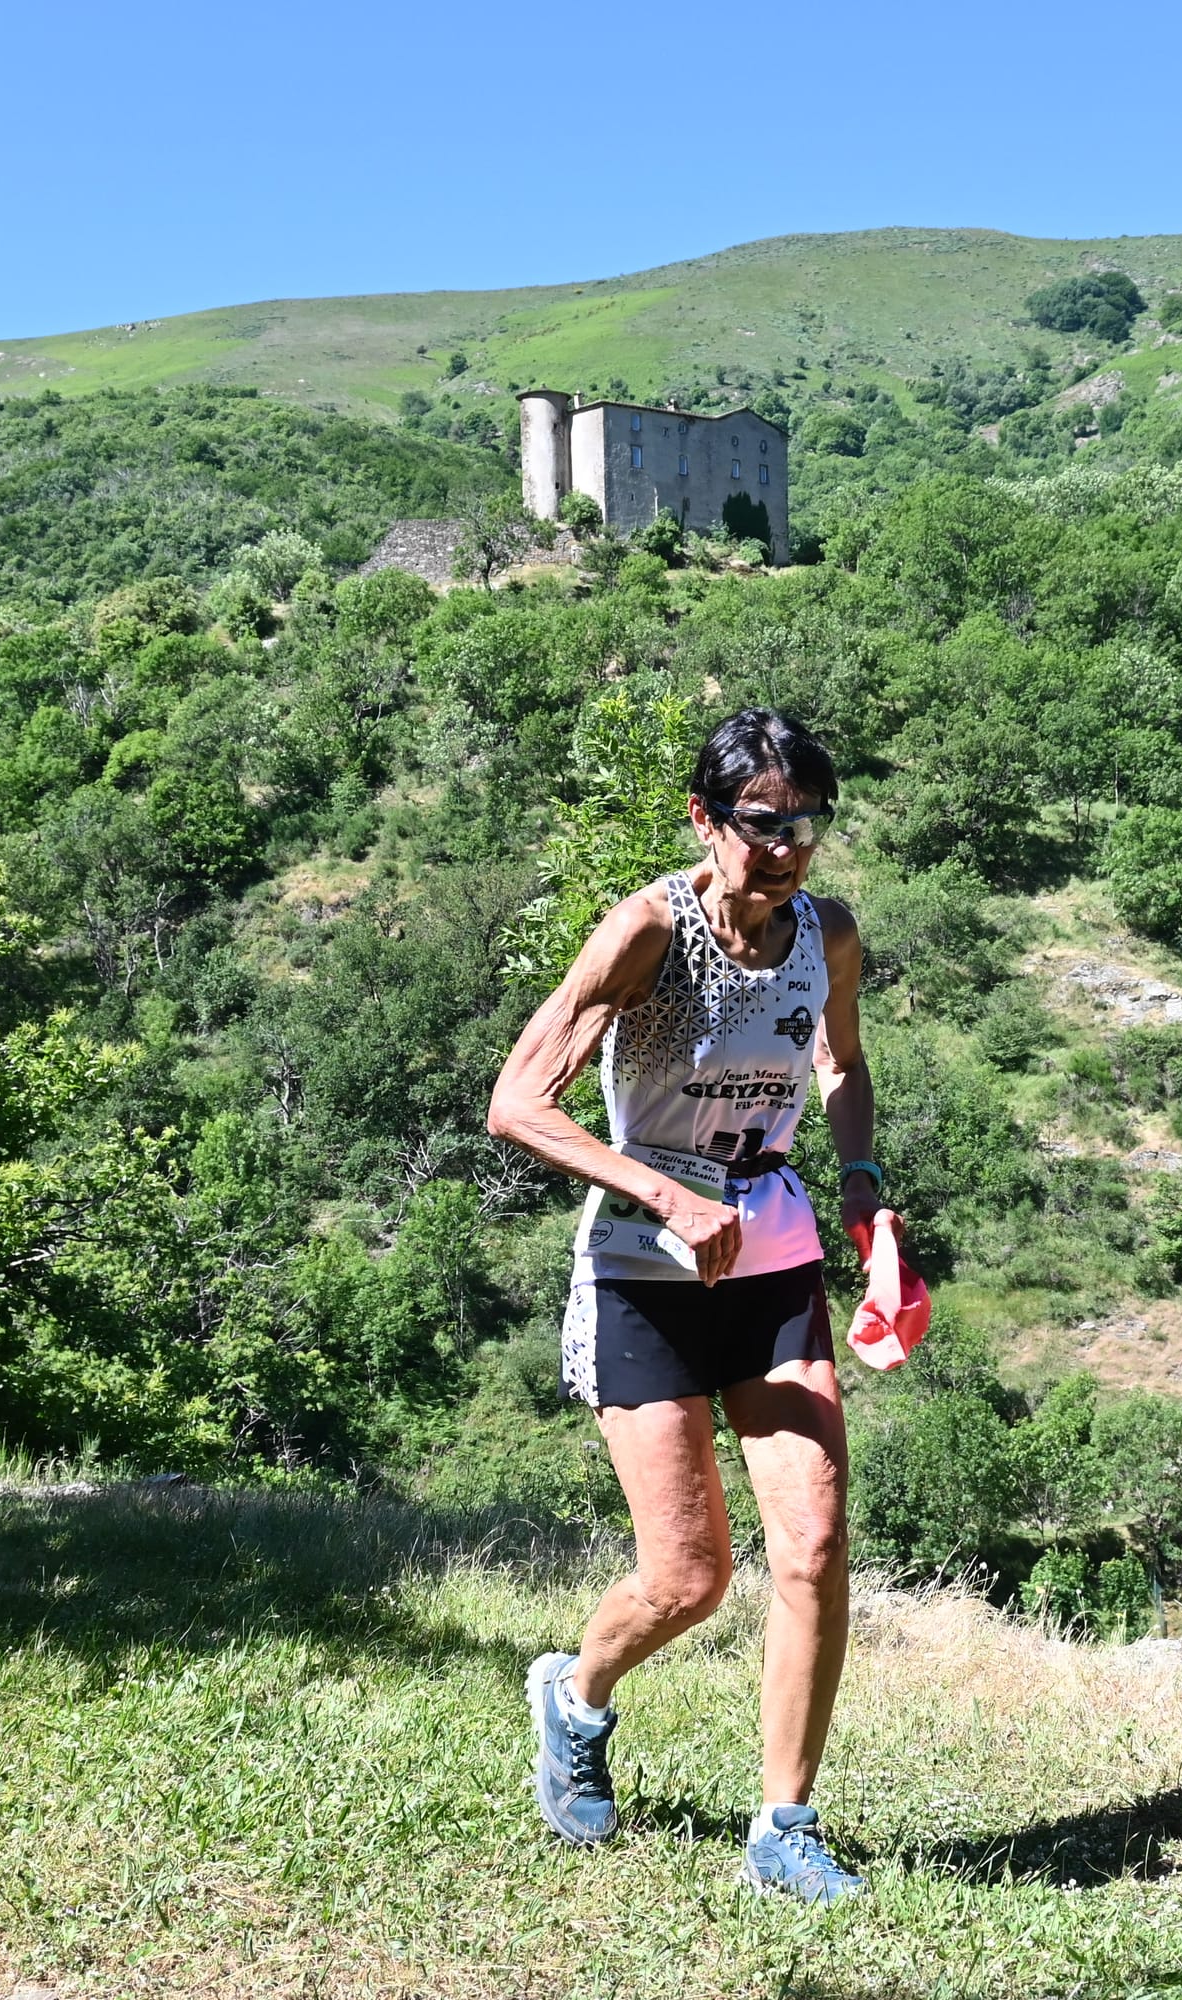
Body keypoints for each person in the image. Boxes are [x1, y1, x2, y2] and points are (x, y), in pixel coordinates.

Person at [486, 709, 890, 1905]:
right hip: (642, 1270)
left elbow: (842, 1062)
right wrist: (662, 1189)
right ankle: (575, 1691)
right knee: (690, 1577)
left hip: (768, 1254)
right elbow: (517, 1100)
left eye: (806, 823)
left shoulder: (827, 931)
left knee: (812, 1545)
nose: (787, 848)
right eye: (762, 824)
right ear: (704, 819)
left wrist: (862, 1191)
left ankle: (785, 1823)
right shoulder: (649, 928)